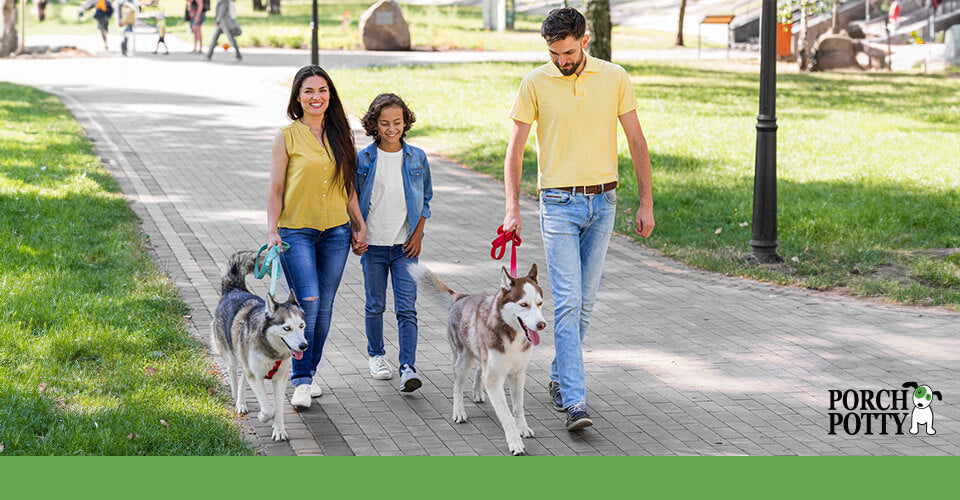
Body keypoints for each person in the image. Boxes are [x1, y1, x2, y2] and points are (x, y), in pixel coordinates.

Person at [502, 8, 654, 432]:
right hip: (558, 204)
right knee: (567, 303)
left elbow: (637, 141)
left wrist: (647, 203)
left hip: (603, 202)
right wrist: (511, 207)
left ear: (584, 40)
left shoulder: (615, 77)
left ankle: (558, 376)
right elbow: (515, 149)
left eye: (567, 52)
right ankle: (575, 401)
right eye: (554, 53)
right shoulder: (534, 82)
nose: (561, 60)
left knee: (584, 304)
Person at [267, 65, 367, 410]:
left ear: (330, 95)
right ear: (298, 97)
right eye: (308, 91)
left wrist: (359, 224)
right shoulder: (286, 136)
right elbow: (276, 189)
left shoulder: (341, 134)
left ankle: (307, 374)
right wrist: (272, 231)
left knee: (324, 308)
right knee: (307, 301)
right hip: (296, 230)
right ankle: (302, 380)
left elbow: (348, 185)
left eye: (322, 90)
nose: (316, 97)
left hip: (337, 232)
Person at [355, 94, 432, 393]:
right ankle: (376, 355)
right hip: (373, 246)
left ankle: (407, 367)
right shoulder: (363, 159)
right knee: (375, 305)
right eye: (384, 123)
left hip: (405, 248)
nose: (391, 129)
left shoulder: (417, 158)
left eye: (397, 123)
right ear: (374, 124)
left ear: (405, 122)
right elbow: (354, 200)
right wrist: (357, 233)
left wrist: (417, 236)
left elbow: (425, 200)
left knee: (407, 308)